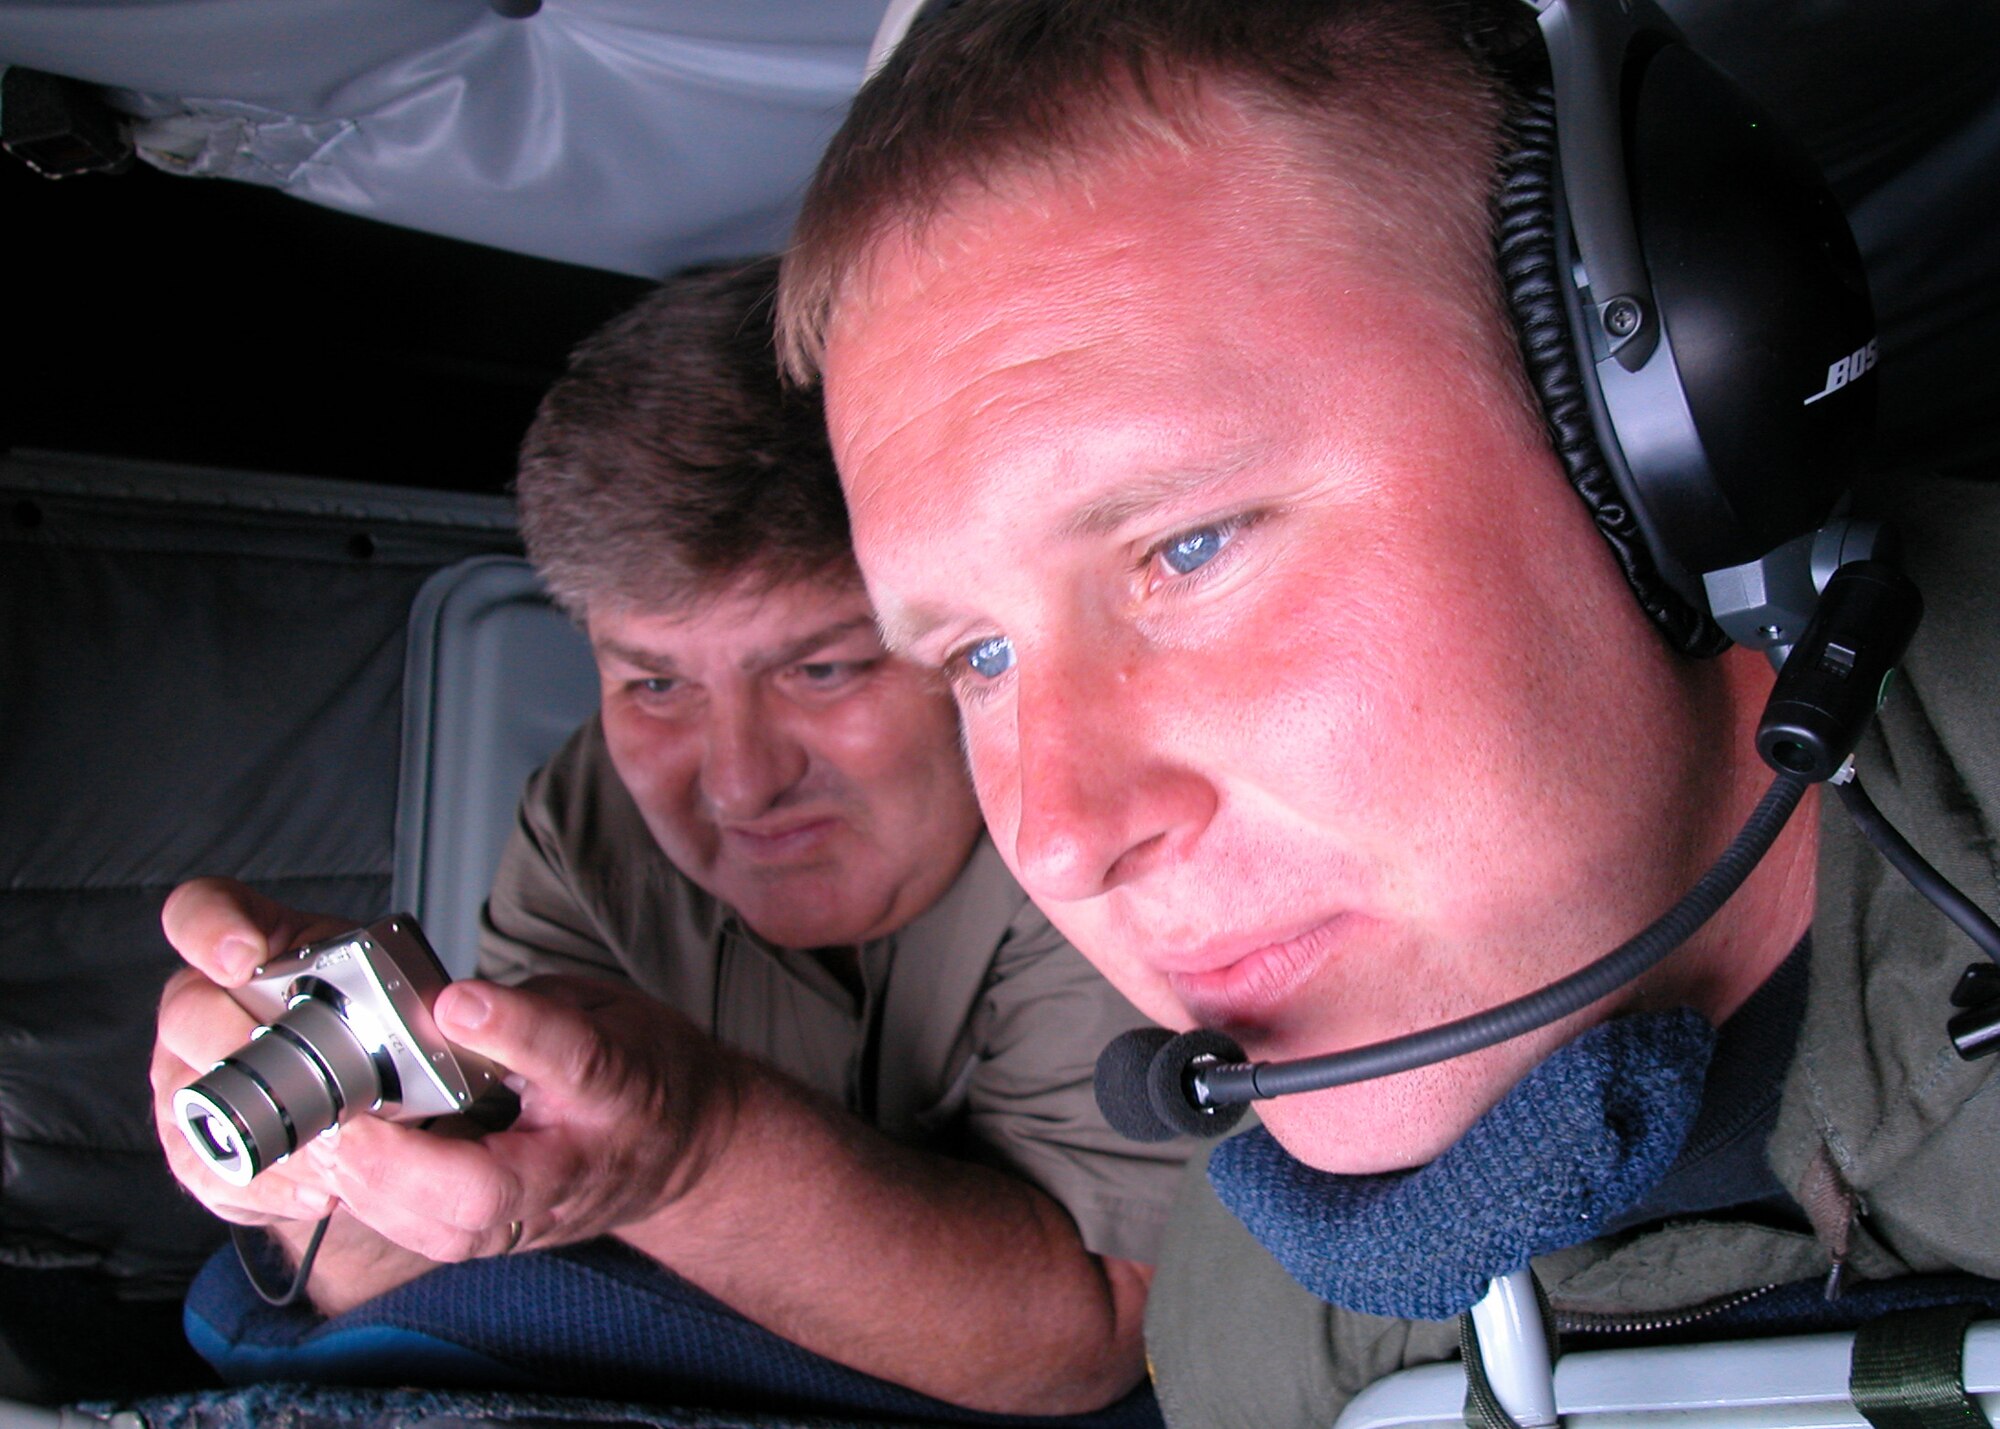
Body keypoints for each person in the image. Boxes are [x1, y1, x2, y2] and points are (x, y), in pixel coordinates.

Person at [774, 2, 2000, 1425]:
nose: (1063, 839)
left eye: (1187, 549)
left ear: (1667, 448)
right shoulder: (1247, 1341)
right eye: (977, 659)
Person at [149, 259, 1187, 1418]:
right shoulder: (590, 815)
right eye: (652, 682)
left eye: (821, 667)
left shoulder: (1091, 797)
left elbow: (1096, 1336)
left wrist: (686, 1154)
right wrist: (334, 1150)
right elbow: (419, 1244)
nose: (739, 781)